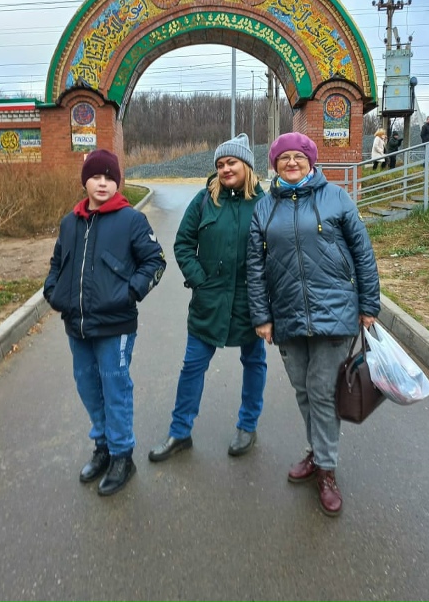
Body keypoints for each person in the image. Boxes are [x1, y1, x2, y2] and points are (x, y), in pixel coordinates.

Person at [247, 132, 380, 517]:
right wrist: (262, 317)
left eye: (298, 157)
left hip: (335, 313)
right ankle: (316, 451)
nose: (291, 163)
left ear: (311, 160)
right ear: (274, 164)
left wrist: (369, 304)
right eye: (283, 158)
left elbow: (363, 252)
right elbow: (255, 267)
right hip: (286, 316)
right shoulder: (265, 207)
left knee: (322, 391)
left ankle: (326, 468)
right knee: (304, 391)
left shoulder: (336, 198)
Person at [44, 149, 166, 497]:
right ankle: (103, 446)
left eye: (109, 178)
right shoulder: (70, 222)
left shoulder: (131, 220)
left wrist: (129, 293)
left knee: (115, 387)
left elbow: (155, 262)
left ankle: (122, 455)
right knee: (87, 386)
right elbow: (57, 262)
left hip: (116, 325)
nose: (102, 183)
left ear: (117, 183)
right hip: (77, 324)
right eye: (96, 177)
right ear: (85, 181)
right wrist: (52, 291)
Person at [148, 133, 267, 463]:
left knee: (254, 363)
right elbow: (183, 243)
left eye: (231, 162)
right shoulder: (204, 200)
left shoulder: (264, 203)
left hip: (250, 302)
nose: (225, 168)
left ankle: (248, 425)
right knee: (192, 366)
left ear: (246, 165)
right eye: (220, 164)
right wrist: (199, 280)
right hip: (209, 301)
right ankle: (179, 431)